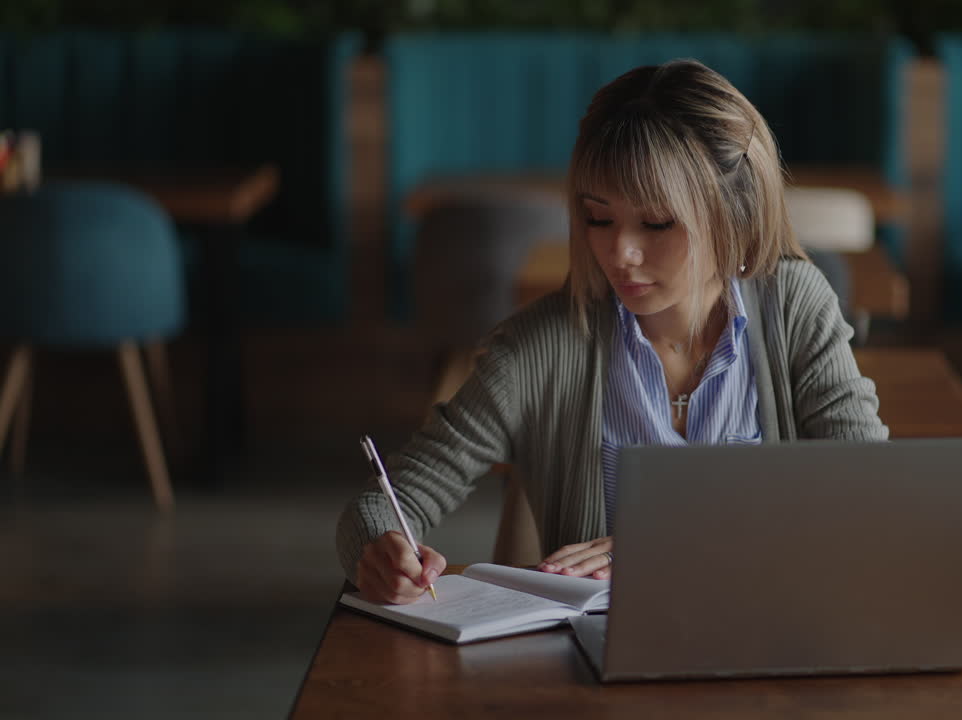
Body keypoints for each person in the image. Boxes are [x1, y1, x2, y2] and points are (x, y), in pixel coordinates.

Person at [336, 59, 889, 605]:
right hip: (597, 672)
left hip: (775, 644)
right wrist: (381, 551)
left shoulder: (796, 304)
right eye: (599, 219)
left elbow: (870, 495)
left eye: (656, 223)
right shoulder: (536, 348)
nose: (620, 254)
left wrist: (666, 544)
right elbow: (384, 504)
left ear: (736, 213)